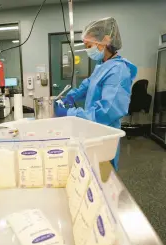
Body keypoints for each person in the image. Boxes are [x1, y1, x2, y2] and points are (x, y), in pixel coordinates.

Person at [55, 17, 137, 170]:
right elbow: (88, 85)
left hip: (104, 135)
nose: (88, 50)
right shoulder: (102, 65)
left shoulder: (118, 71)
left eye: (89, 45)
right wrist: (72, 95)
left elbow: (106, 112)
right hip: (93, 131)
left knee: (102, 176)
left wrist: (71, 113)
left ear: (106, 40)